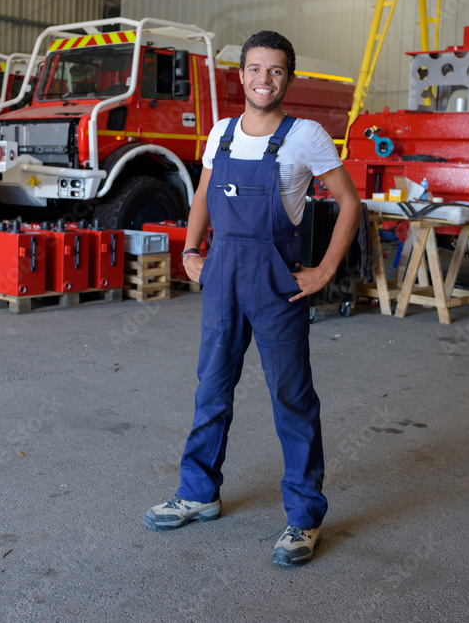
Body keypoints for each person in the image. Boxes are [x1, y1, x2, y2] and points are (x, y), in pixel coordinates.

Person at [144, 30, 361, 568]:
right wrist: (191, 250)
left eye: (276, 70)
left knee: (292, 397)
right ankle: (198, 492)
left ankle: (304, 517)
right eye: (256, 69)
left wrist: (325, 271)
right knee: (211, 387)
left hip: (274, 280)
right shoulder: (220, 132)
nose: (265, 79)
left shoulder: (305, 135)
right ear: (241, 75)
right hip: (222, 276)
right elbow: (202, 196)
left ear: (288, 77)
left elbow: (349, 203)